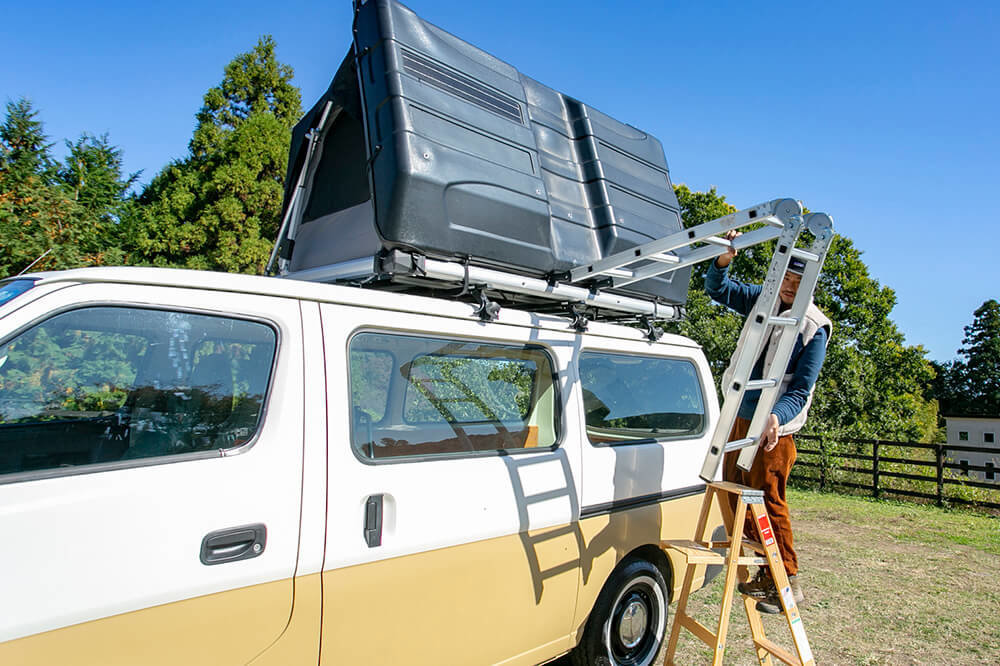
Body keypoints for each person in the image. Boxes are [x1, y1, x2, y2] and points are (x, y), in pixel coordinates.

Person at [705, 230, 831, 614]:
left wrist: (777, 417)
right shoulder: (765, 298)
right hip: (739, 417)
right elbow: (718, 289)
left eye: (797, 282)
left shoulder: (814, 327)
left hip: (773, 430)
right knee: (730, 491)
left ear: (809, 283)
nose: (790, 287)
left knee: (769, 500)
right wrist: (726, 257)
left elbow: (802, 390)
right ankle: (760, 568)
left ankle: (787, 581)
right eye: (787, 279)